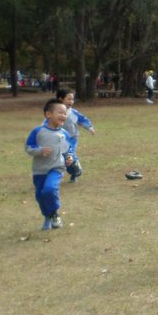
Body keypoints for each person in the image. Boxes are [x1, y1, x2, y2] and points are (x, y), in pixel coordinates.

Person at [24, 98, 74, 231]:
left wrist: (69, 158)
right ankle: (47, 217)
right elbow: (28, 147)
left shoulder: (64, 134)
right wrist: (39, 151)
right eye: (60, 112)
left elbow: (67, 150)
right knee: (40, 196)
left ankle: (54, 214)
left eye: (65, 113)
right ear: (48, 114)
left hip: (56, 168)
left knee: (50, 189)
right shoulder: (38, 131)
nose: (63, 115)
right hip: (39, 170)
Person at [57, 87, 96, 182]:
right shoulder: (55, 112)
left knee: (70, 156)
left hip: (71, 139)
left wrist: (89, 127)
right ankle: (73, 172)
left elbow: (82, 120)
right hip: (58, 139)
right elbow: (47, 123)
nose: (71, 101)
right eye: (69, 99)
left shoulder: (73, 112)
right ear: (61, 99)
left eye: (72, 99)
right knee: (61, 159)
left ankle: (76, 170)